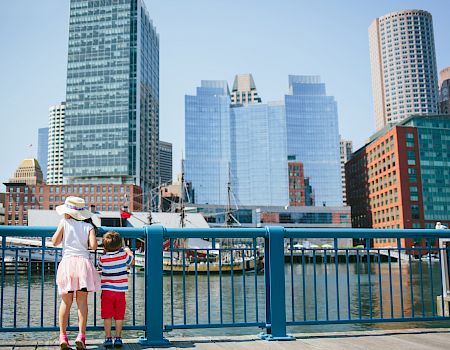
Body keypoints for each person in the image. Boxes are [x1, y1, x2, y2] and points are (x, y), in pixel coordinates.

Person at [52, 196, 101, 350]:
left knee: (66, 302)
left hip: (67, 264)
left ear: (68, 212)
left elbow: (55, 241)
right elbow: (93, 246)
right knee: (82, 303)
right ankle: (81, 336)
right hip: (83, 265)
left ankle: (63, 336)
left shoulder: (64, 223)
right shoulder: (89, 227)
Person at [98, 231, 134, 348]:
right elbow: (132, 261)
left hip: (107, 292)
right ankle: (118, 338)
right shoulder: (123, 256)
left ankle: (108, 338)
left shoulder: (102, 258)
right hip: (120, 293)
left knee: (107, 316)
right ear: (119, 245)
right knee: (119, 316)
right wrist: (127, 250)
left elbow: (100, 268)